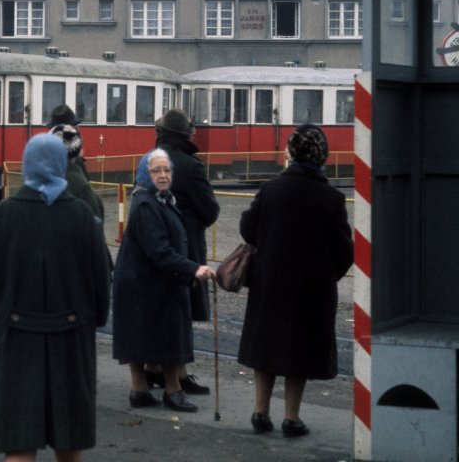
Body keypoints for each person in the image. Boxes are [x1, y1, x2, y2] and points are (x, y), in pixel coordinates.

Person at [0, 133, 111, 462]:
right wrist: (96, 319)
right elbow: (101, 279)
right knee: (68, 437)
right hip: (71, 338)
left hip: (14, 339)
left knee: (19, 440)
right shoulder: (81, 217)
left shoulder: (1, 216)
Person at [237, 123, 353, 438]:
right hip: (311, 291)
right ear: (322, 158)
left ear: (290, 153)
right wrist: (326, 275)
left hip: (269, 284)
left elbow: (247, 229)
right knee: (298, 354)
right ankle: (292, 417)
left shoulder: (271, 189)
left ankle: (260, 411)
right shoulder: (331, 199)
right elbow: (344, 251)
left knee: (266, 348)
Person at [112, 148, 216, 413]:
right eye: (156, 170)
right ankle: (173, 391)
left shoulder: (159, 200)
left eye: (167, 170)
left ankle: (141, 391)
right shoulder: (147, 204)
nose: (163, 175)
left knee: (145, 335)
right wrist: (192, 269)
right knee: (167, 334)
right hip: (146, 282)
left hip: (145, 280)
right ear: (144, 175)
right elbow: (159, 251)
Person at [139, 108, 220, 395]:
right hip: (185, 245)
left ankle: (152, 369)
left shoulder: (149, 161)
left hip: (152, 243)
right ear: (187, 135)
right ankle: (179, 375)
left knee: (159, 306)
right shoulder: (190, 166)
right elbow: (210, 210)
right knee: (181, 309)